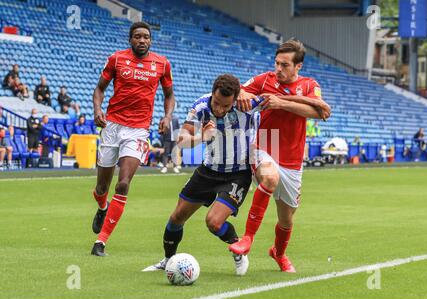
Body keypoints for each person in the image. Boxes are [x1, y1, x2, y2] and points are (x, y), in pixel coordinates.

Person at [228, 39, 331, 272]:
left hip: (293, 161)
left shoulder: (309, 85)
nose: (278, 69)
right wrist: (242, 92)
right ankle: (247, 239)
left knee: (286, 219)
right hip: (263, 147)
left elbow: (319, 112)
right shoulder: (264, 80)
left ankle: (278, 253)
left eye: (285, 65)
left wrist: (281, 102)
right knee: (270, 178)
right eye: (276, 63)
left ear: (298, 67)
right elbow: (240, 89)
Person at [143, 74, 261, 275]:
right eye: (217, 103)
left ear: (235, 99)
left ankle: (238, 249)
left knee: (214, 222)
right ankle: (168, 260)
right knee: (177, 217)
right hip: (208, 171)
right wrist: (201, 137)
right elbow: (182, 139)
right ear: (212, 93)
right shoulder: (200, 107)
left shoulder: (247, 104)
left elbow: (275, 98)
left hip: (237, 174)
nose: (220, 109)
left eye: (226, 106)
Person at [90, 21, 175, 256]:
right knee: (101, 186)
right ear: (130, 39)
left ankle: (101, 242)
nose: (142, 40)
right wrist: (98, 109)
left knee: (124, 183)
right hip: (112, 126)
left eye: (146, 37)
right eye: (137, 36)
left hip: (138, 130)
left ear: (151, 40)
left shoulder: (162, 64)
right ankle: (101, 205)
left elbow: (169, 95)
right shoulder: (116, 59)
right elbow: (99, 89)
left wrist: (167, 116)